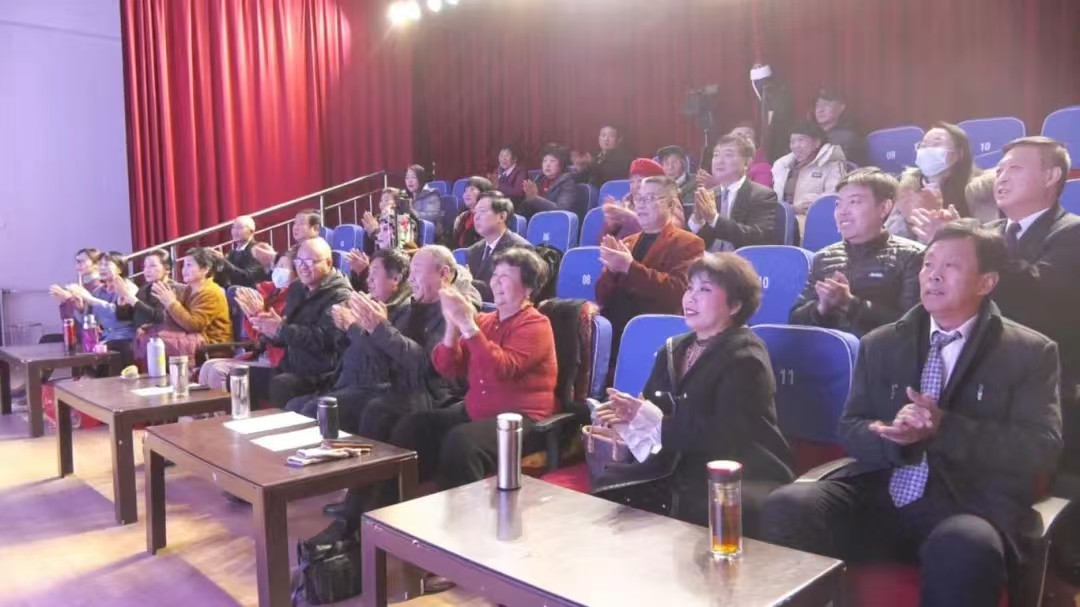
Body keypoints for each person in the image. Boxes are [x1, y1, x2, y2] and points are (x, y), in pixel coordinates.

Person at [761, 221, 1062, 607]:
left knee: (964, 545)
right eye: (928, 264)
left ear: (986, 282)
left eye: (951, 266)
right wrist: (890, 435)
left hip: (968, 504)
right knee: (788, 506)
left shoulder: (1028, 352)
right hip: (882, 493)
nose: (933, 275)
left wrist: (943, 427)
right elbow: (850, 428)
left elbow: (1041, 447)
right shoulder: (882, 342)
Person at [593, 253, 793, 532]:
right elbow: (650, 407)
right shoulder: (673, 349)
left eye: (705, 290)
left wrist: (654, 422)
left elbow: (727, 436)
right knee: (608, 487)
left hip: (737, 470)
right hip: (677, 463)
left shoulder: (746, 357)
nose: (691, 297)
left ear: (735, 305)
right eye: (690, 288)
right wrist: (624, 417)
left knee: (691, 505)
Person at [392, 247, 557, 489]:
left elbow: (500, 370)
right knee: (413, 426)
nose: (496, 283)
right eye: (495, 275)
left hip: (522, 419)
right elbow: (447, 367)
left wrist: (468, 325)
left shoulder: (537, 325)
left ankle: (461, 512)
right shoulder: (487, 321)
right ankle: (395, 502)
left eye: (505, 277)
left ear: (528, 287)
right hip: (477, 410)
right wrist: (452, 325)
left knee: (461, 443)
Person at [288, 246, 460, 431]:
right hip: (383, 385)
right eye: (410, 272)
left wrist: (371, 328)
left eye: (416, 271)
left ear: (444, 273)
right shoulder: (409, 309)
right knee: (300, 407)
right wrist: (356, 327)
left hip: (422, 393)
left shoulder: (454, 312)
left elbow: (425, 365)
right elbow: (380, 358)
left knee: (339, 411)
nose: (410, 279)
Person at [986, 136, 1080, 475]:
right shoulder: (988, 232)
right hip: (986, 377)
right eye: (999, 170)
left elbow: (1039, 296)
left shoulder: (1072, 232)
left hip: (1048, 386)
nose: (1002, 178)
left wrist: (978, 254)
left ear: (1051, 176)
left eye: (1015, 168)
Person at [789, 168, 924, 337]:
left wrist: (850, 304)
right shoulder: (824, 258)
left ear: (884, 208)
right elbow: (794, 321)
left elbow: (911, 327)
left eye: (854, 202)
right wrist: (820, 308)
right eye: (838, 204)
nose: (843, 211)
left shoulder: (912, 256)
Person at [596, 176, 705, 356]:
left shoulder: (688, 243)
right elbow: (602, 295)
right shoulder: (627, 242)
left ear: (671, 204)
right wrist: (611, 271)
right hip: (616, 331)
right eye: (639, 198)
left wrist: (629, 267)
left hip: (655, 334)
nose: (641, 205)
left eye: (650, 198)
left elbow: (677, 292)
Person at [253, 238, 352, 407]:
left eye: (310, 262)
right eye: (299, 261)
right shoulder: (297, 288)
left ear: (328, 263)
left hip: (320, 373)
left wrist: (281, 330)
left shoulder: (340, 295)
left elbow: (324, 339)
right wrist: (268, 330)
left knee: (281, 385)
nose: (303, 267)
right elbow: (285, 332)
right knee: (240, 377)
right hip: (291, 365)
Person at [198, 249, 296, 391]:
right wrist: (251, 316)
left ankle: (226, 406)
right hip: (261, 353)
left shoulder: (293, 298)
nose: (278, 270)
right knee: (207, 366)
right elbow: (255, 336)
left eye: (283, 266)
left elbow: (272, 336)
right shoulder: (268, 293)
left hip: (277, 359)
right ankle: (206, 407)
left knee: (217, 370)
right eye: (277, 265)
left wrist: (258, 315)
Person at [893, 123, 999, 240]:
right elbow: (893, 238)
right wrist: (907, 221)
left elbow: (988, 240)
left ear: (958, 153)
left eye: (936, 144)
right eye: (923, 145)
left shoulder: (979, 191)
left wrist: (952, 228)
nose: (927, 150)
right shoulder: (906, 188)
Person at [688, 135, 782, 251]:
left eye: (728, 155)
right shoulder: (709, 195)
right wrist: (696, 222)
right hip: (709, 258)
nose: (719, 161)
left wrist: (714, 219)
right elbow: (698, 242)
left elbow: (758, 238)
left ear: (747, 163)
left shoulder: (762, 195)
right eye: (716, 155)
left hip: (742, 259)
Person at [136, 247, 232, 359]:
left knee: (159, 343)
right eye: (183, 265)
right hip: (193, 337)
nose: (184, 270)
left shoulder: (211, 292)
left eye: (189, 265)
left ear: (205, 269)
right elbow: (176, 320)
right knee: (148, 335)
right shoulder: (189, 289)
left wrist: (171, 302)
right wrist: (151, 327)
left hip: (211, 344)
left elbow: (194, 325)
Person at [64, 252, 138, 366]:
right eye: (100, 264)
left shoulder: (129, 289)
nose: (102, 268)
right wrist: (80, 309)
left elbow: (117, 317)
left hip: (124, 338)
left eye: (107, 265)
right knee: (79, 349)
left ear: (120, 269)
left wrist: (90, 299)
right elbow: (88, 322)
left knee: (106, 351)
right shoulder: (98, 291)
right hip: (105, 338)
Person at [771, 120, 848, 223]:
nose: (796, 146)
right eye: (792, 141)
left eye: (801, 140)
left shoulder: (832, 165)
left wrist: (806, 204)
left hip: (814, 221)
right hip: (783, 220)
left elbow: (834, 198)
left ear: (816, 143)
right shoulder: (783, 166)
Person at [600, 158, 686, 242]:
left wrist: (631, 219)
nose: (635, 186)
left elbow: (667, 239)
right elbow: (604, 243)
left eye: (640, 181)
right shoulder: (625, 204)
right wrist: (612, 226)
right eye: (632, 182)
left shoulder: (670, 204)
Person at [466, 193, 532, 302]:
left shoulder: (520, 249)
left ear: (501, 217)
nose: (476, 217)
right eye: (475, 212)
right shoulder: (473, 250)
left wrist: (465, 282)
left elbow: (511, 291)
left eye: (482, 211)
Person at [116, 250, 186, 348]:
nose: (147, 270)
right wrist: (122, 302)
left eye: (152, 266)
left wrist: (132, 300)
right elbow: (127, 317)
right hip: (142, 339)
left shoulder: (175, 289)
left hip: (164, 340)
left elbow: (159, 318)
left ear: (167, 269)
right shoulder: (144, 289)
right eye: (145, 266)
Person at [520, 144, 583, 219]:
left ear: (561, 164)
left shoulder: (568, 183)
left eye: (552, 161)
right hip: (537, 221)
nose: (547, 165)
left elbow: (561, 211)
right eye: (545, 161)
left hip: (556, 223)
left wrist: (536, 198)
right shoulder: (539, 179)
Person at [814, 87, 867, 167]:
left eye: (826, 105)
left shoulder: (849, 137)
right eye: (818, 105)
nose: (820, 110)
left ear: (841, 107)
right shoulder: (810, 133)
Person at [49, 248, 103, 322]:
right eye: (77, 262)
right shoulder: (81, 286)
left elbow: (93, 317)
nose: (77, 266)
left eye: (81, 261)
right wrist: (64, 301)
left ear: (96, 264)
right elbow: (68, 319)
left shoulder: (100, 287)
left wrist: (70, 299)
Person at [219, 215, 267, 288]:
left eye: (239, 228)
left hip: (251, 290)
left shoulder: (257, 250)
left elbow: (248, 277)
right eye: (233, 228)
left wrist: (224, 262)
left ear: (251, 231)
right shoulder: (232, 252)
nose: (235, 231)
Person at [450, 177, 495, 249]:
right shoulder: (462, 217)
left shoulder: (489, 217)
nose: (467, 194)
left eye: (472, 189)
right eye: (465, 191)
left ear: (484, 193)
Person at [728, 122, 774, 188]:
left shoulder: (763, 169)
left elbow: (760, 193)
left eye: (747, 136)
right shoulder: (723, 165)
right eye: (738, 135)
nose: (742, 139)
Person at [405, 164, 444, 240]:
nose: (409, 181)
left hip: (429, 237)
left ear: (421, 178)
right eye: (407, 177)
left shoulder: (432, 194)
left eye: (413, 177)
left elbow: (430, 218)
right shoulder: (405, 196)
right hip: (411, 234)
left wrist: (411, 210)